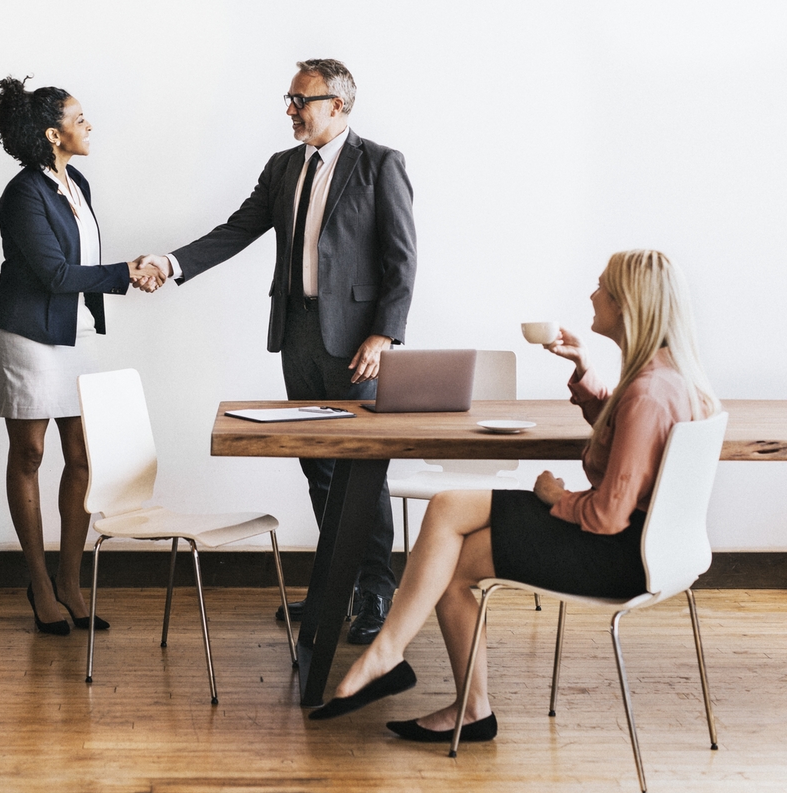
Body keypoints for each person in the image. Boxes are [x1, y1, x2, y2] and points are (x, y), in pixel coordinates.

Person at [309, 249, 721, 742]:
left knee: (452, 549)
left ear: (627, 303)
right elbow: (629, 439)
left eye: (601, 286)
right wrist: (585, 371)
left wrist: (554, 496)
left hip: (616, 551)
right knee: (449, 520)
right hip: (650, 548)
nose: (591, 294)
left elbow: (607, 513)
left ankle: (422, 678)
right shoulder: (671, 379)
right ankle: (410, 672)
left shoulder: (648, 395)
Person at [135, 59, 417, 644]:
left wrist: (383, 335)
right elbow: (236, 230)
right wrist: (171, 262)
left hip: (357, 344)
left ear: (337, 106)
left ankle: (375, 590)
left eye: (301, 99)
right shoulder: (283, 167)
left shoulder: (380, 164)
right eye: (287, 98)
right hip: (298, 334)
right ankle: (334, 586)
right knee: (316, 465)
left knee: (362, 469)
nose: (290, 110)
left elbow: (401, 259)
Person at [0, 76, 165, 635]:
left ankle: (70, 581)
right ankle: (39, 583)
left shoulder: (77, 181)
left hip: (75, 330)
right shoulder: (23, 193)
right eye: (79, 119)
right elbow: (53, 273)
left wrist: (124, 271)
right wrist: (126, 275)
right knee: (32, 453)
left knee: (82, 454)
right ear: (52, 134)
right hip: (27, 333)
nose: (88, 126)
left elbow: (80, 262)